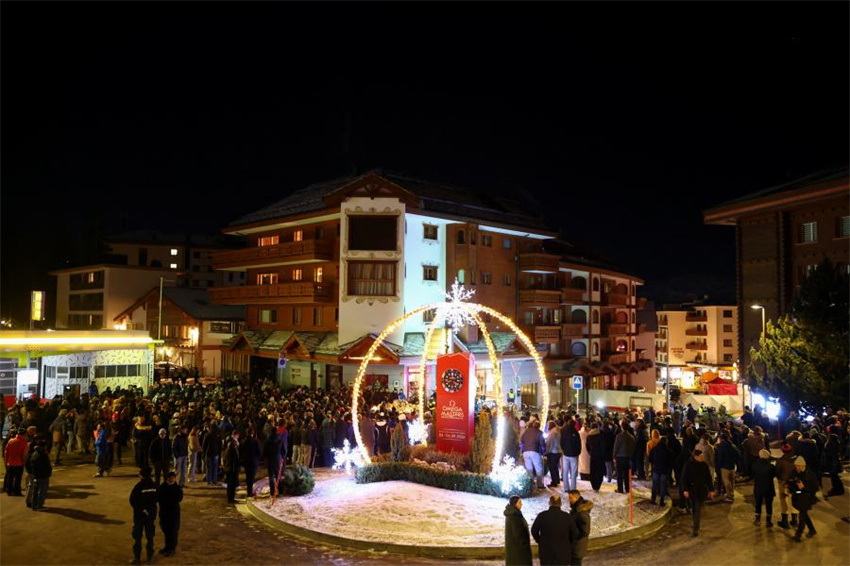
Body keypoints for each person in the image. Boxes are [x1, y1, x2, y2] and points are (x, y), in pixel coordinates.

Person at [530, 493, 579, 566]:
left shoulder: (542, 516)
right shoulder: (567, 517)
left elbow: (534, 530)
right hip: (563, 552)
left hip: (546, 551)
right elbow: (575, 533)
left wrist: (539, 540)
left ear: (549, 503)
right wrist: (568, 543)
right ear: (560, 504)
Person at [680, 448, 714, 537]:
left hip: (701, 491)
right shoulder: (688, 465)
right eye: (700, 456)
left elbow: (708, 478)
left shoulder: (704, 465)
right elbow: (684, 478)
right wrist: (685, 490)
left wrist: (711, 490)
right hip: (692, 490)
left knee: (697, 508)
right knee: (695, 508)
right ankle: (695, 522)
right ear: (695, 457)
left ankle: (696, 528)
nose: (702, 458)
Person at [129, 466, 158, 565]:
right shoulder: (154, 485)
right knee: (150, 537)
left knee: (137, 537)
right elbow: (157, 498)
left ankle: (137, 558)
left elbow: (133, 500)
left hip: (139, 516)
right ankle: (150, 557)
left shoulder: (139, 486)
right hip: (151, 515)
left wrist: (142, 509)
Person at [790, 456, 818, 542]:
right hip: (799, 496)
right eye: (796, 466)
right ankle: (812, 530)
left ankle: (798, 535)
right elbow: (792, 481)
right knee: (804, 515)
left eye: (799, 466)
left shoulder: (809, 475)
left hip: (806, 498)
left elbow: (814, 488)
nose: (797, 468)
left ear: (803, 466)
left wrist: (804, 487)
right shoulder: (795, 472)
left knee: (802, 517)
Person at [157, 471, 183, 557]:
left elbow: (179, 498)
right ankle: (167, 547)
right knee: (166, 530)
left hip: (173, 514)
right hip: (164, 513)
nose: (172, 479)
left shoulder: (177, 488)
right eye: (170, 477)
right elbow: (159, 497)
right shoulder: (163, 486)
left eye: (173, 478)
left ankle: (172, 548)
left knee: (173, 531)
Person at [503, 495, 532, 566]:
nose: (521, 504)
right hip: (518, 551)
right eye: (519, 502)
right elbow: (517, 534)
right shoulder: (514, 516)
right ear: (514, 503)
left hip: (515, 549)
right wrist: (524, 545)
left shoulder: (513, 513)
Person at [775, 443, 798, 529]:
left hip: (783, 482)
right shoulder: (796, 459)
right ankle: (794, 520)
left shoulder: (780, 461)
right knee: (794, 500)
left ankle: (784, 520)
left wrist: (779, 479)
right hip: (794, 483)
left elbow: (777, 472)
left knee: (783, 500)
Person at [27, 436, 52, 511]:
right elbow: (45, 465)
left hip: (37, 475)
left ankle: (35, 505)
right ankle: (39, 505)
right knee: (41, 491)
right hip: (42, 476)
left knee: (36, 491)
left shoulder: (35, 453)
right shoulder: (41, 455)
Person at [751, 449, 776, 527]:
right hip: (769, 488)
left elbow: (752, 475)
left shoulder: (755, 465)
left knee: (758, 504)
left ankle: (757, 519)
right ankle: (768, 521)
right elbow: (774, 475)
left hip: (758, 487)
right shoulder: (771, 466)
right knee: (769, 504)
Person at [568, 489, 593, 566]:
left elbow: (585, 531)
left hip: (577, 547)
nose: (569, 500)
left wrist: (574, 536)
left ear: (576, 497)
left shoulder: (582, 513)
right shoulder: (576, 510)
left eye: (570, 498)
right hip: (575, 546)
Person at [520, 420, 545, 490]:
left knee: (529, 469)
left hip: (525, 451)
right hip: (535, 451)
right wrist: (543, 452)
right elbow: (542, 444)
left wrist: (522, 451)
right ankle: (540, 484)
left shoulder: (526, 431)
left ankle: (530, 484)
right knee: (538, 468)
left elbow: (522, 441)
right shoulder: (540, 433)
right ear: (539, 426)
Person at [648, 434, 672, 506]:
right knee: (663, 486)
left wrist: (654, 463)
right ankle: (661, 501)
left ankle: (653, 500)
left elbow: (650, 459)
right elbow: (670, 462)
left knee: (655, 485)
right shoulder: (668, 451)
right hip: (664, 470)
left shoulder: (654, 449)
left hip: (656, 469)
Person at [4, 427, 28, 496]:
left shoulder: (11, 441)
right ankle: (16, 491)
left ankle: (9, 490)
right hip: (19, 463)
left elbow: (6, 451)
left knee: (10, 477)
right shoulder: (24, 442)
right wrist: (24, 462)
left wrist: (6, 460)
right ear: (24, 434)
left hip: (10, 462)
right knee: (17, 479)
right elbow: (24, 454)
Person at [264, 426, 285, 504]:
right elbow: (284, 450)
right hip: (278, 459)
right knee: (278, 476)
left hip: (270, 460)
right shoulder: (280, 439)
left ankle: (272, 493)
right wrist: (282, 457)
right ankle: (280, 491)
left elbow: (265, 451)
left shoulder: (268, 440)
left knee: (271, 477)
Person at [715, 433, 739, 502]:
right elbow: (738, 455)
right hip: (732, 466)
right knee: (731, 481)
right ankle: (731, 494)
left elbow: (720, 458)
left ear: (722, 439)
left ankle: (729, 496)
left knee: (726, 482)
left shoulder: (722, 447)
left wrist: (718, 466)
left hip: (725, 467)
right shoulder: (733, 445)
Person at [613, 421, 635, 494]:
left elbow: (616, 447)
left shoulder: (619, 436)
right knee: (626, 474)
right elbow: (633, 447)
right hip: (627, 457)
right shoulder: (631, 437)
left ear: (621, 427)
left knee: (619, 474)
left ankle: (620, 489)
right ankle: (627, 488)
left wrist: (614, 456)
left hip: (620, 457)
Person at [560, 418, 582, 492]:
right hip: (573, 454)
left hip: (566, 454)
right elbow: (579, 444)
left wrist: (564, 450)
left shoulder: (563, 431)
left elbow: (561, 442)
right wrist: (578, 452)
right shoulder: (575, 432)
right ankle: (573, 488)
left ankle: (566, 487)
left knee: (565, 471)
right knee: (573, 471)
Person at [585, 422, 605, 492]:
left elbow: (587, 446)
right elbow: (602, 446)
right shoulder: (600, 435)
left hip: (592, 455)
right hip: (599, 456)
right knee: (599, 471)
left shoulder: (589, 436)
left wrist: (590, 452)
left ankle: (593, 485)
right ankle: (598, 486)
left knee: (593, 470)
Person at [242, 428, 261, 498]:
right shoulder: (255, 441)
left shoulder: (243, 441)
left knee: (248, 476)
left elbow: (241, 451)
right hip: (253, 461)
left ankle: (249, 490)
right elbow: (259, 452)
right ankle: (249, 491)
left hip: (246, 461)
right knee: (252, 477)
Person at [223, 429, 241, 504]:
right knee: (231, 485)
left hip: (231, 468)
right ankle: (230, 499)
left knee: (231, 485)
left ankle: (231, 498)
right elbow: (232, 460)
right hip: (231, 469)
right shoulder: (231, 449)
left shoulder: (230, 448)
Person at [544, 420, 561, 488]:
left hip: (553, 452)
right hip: (558, 451)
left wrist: (546, 452)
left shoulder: (552, 433)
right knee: (555, 467)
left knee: (552, 467)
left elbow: (549, 443)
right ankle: (557, 480)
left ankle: (554, 482)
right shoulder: (557, 431)